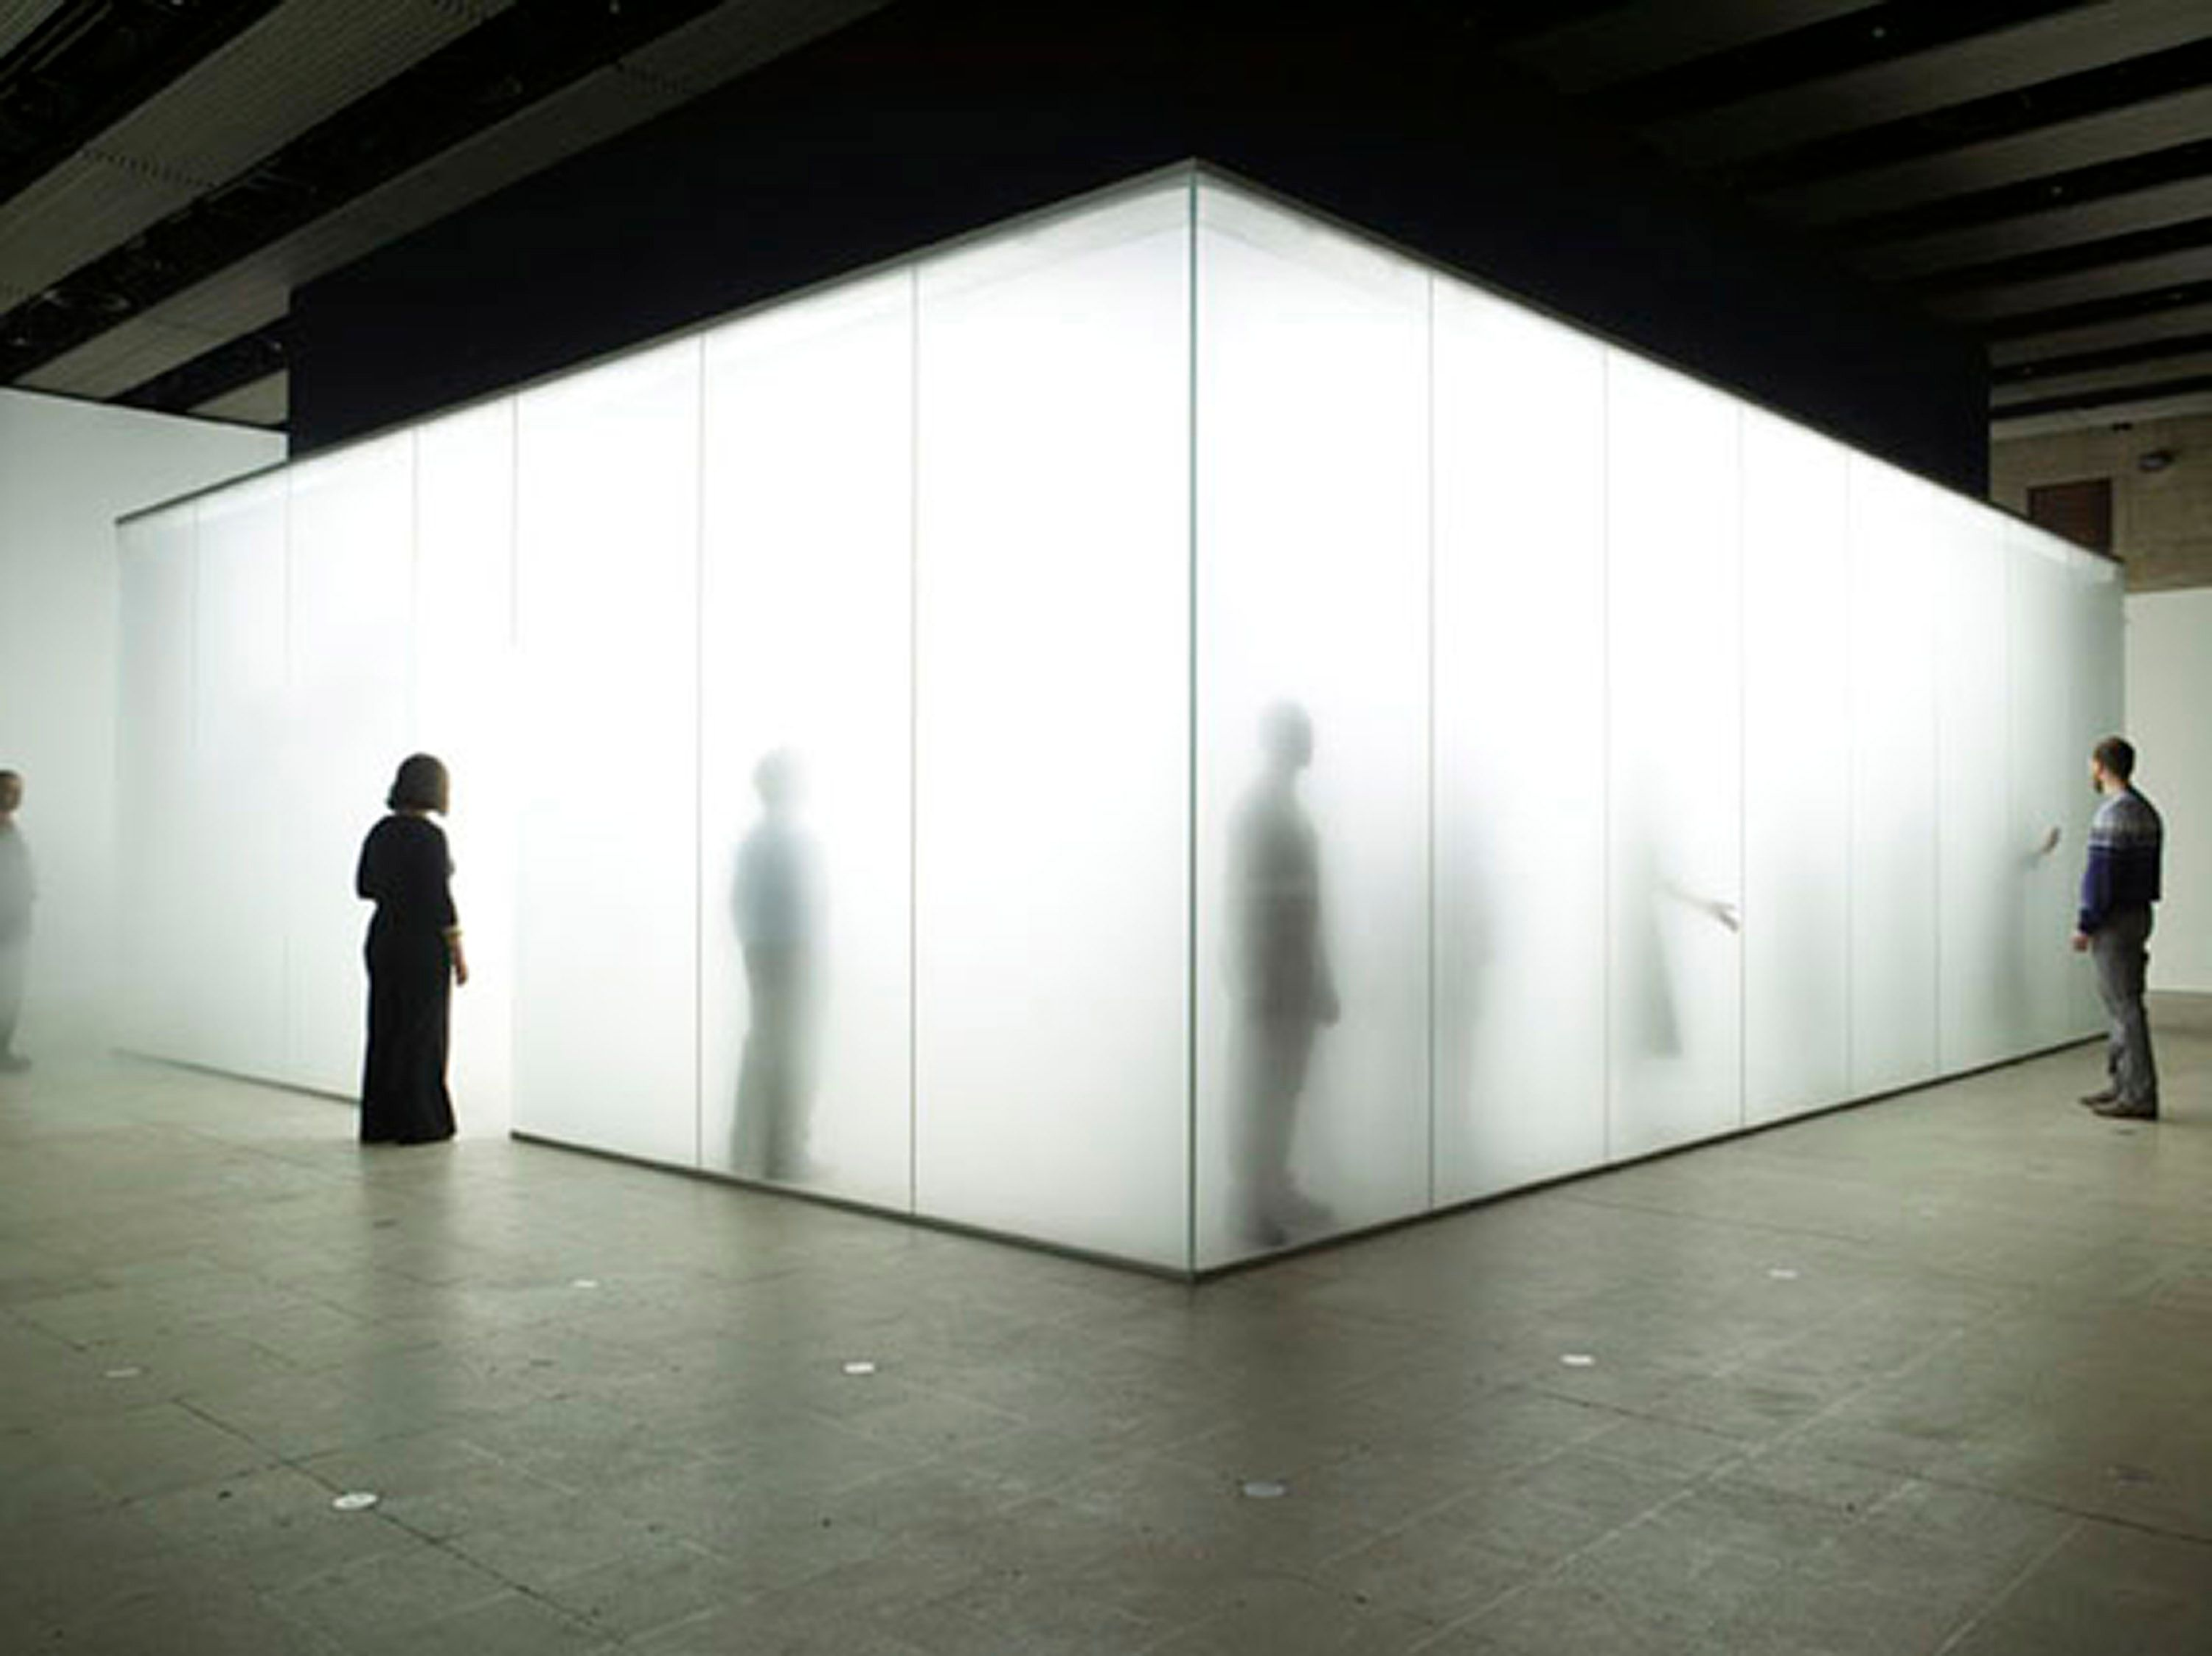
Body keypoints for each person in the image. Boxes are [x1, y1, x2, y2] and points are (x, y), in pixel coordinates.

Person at [1228, 702, 1338, 1247]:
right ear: (1283, 741)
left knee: (1285, 1086)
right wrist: (1254, 975)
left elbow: (1306, 898)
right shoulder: (1260, 809)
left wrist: (1321, 975)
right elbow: (1248, 897)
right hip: (1273, 970)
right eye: (1303, 733)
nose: (1312, 741)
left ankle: (1275, 1186)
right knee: (1265, 1088)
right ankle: (1251, 1200)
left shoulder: (1285, 807)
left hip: (1293, 969)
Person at [356, 754, 466, 1143]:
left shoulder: (380, 832)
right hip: (422, 945)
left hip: (384, 938)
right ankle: (419, 1123)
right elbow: (440, 901)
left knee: (385, 1028)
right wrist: (458, 953)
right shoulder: (431, 837)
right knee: (422, 1034)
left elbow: (364, 887)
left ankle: (381, 1123)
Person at [732, 750, 822, 1181]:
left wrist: (753, 946)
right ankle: (786, 1156)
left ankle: (755, 1150)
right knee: (793, 1051)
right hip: (792, 955)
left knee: (766, 1050)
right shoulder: (793, 840)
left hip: (762, 954)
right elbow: (811, 906)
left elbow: (738, 904)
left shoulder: (755, 841)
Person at [2073, 736, 2162, 1120]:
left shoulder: (2112, 815)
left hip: (2114, 921)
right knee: (2124, 1003)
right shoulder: (2146, 810)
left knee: (2124, 1008)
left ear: (2101, 767)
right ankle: (2123, 1085)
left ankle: (2137, 1093)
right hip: (2138, 914)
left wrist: (2086, 923)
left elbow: (2102, 877)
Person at [0, 770, 33, 1072]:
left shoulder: (11, 827)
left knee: (10, 992)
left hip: (15, 925)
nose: (15, 796)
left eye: (18, 791)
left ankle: (2, 1053)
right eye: (8, 790)